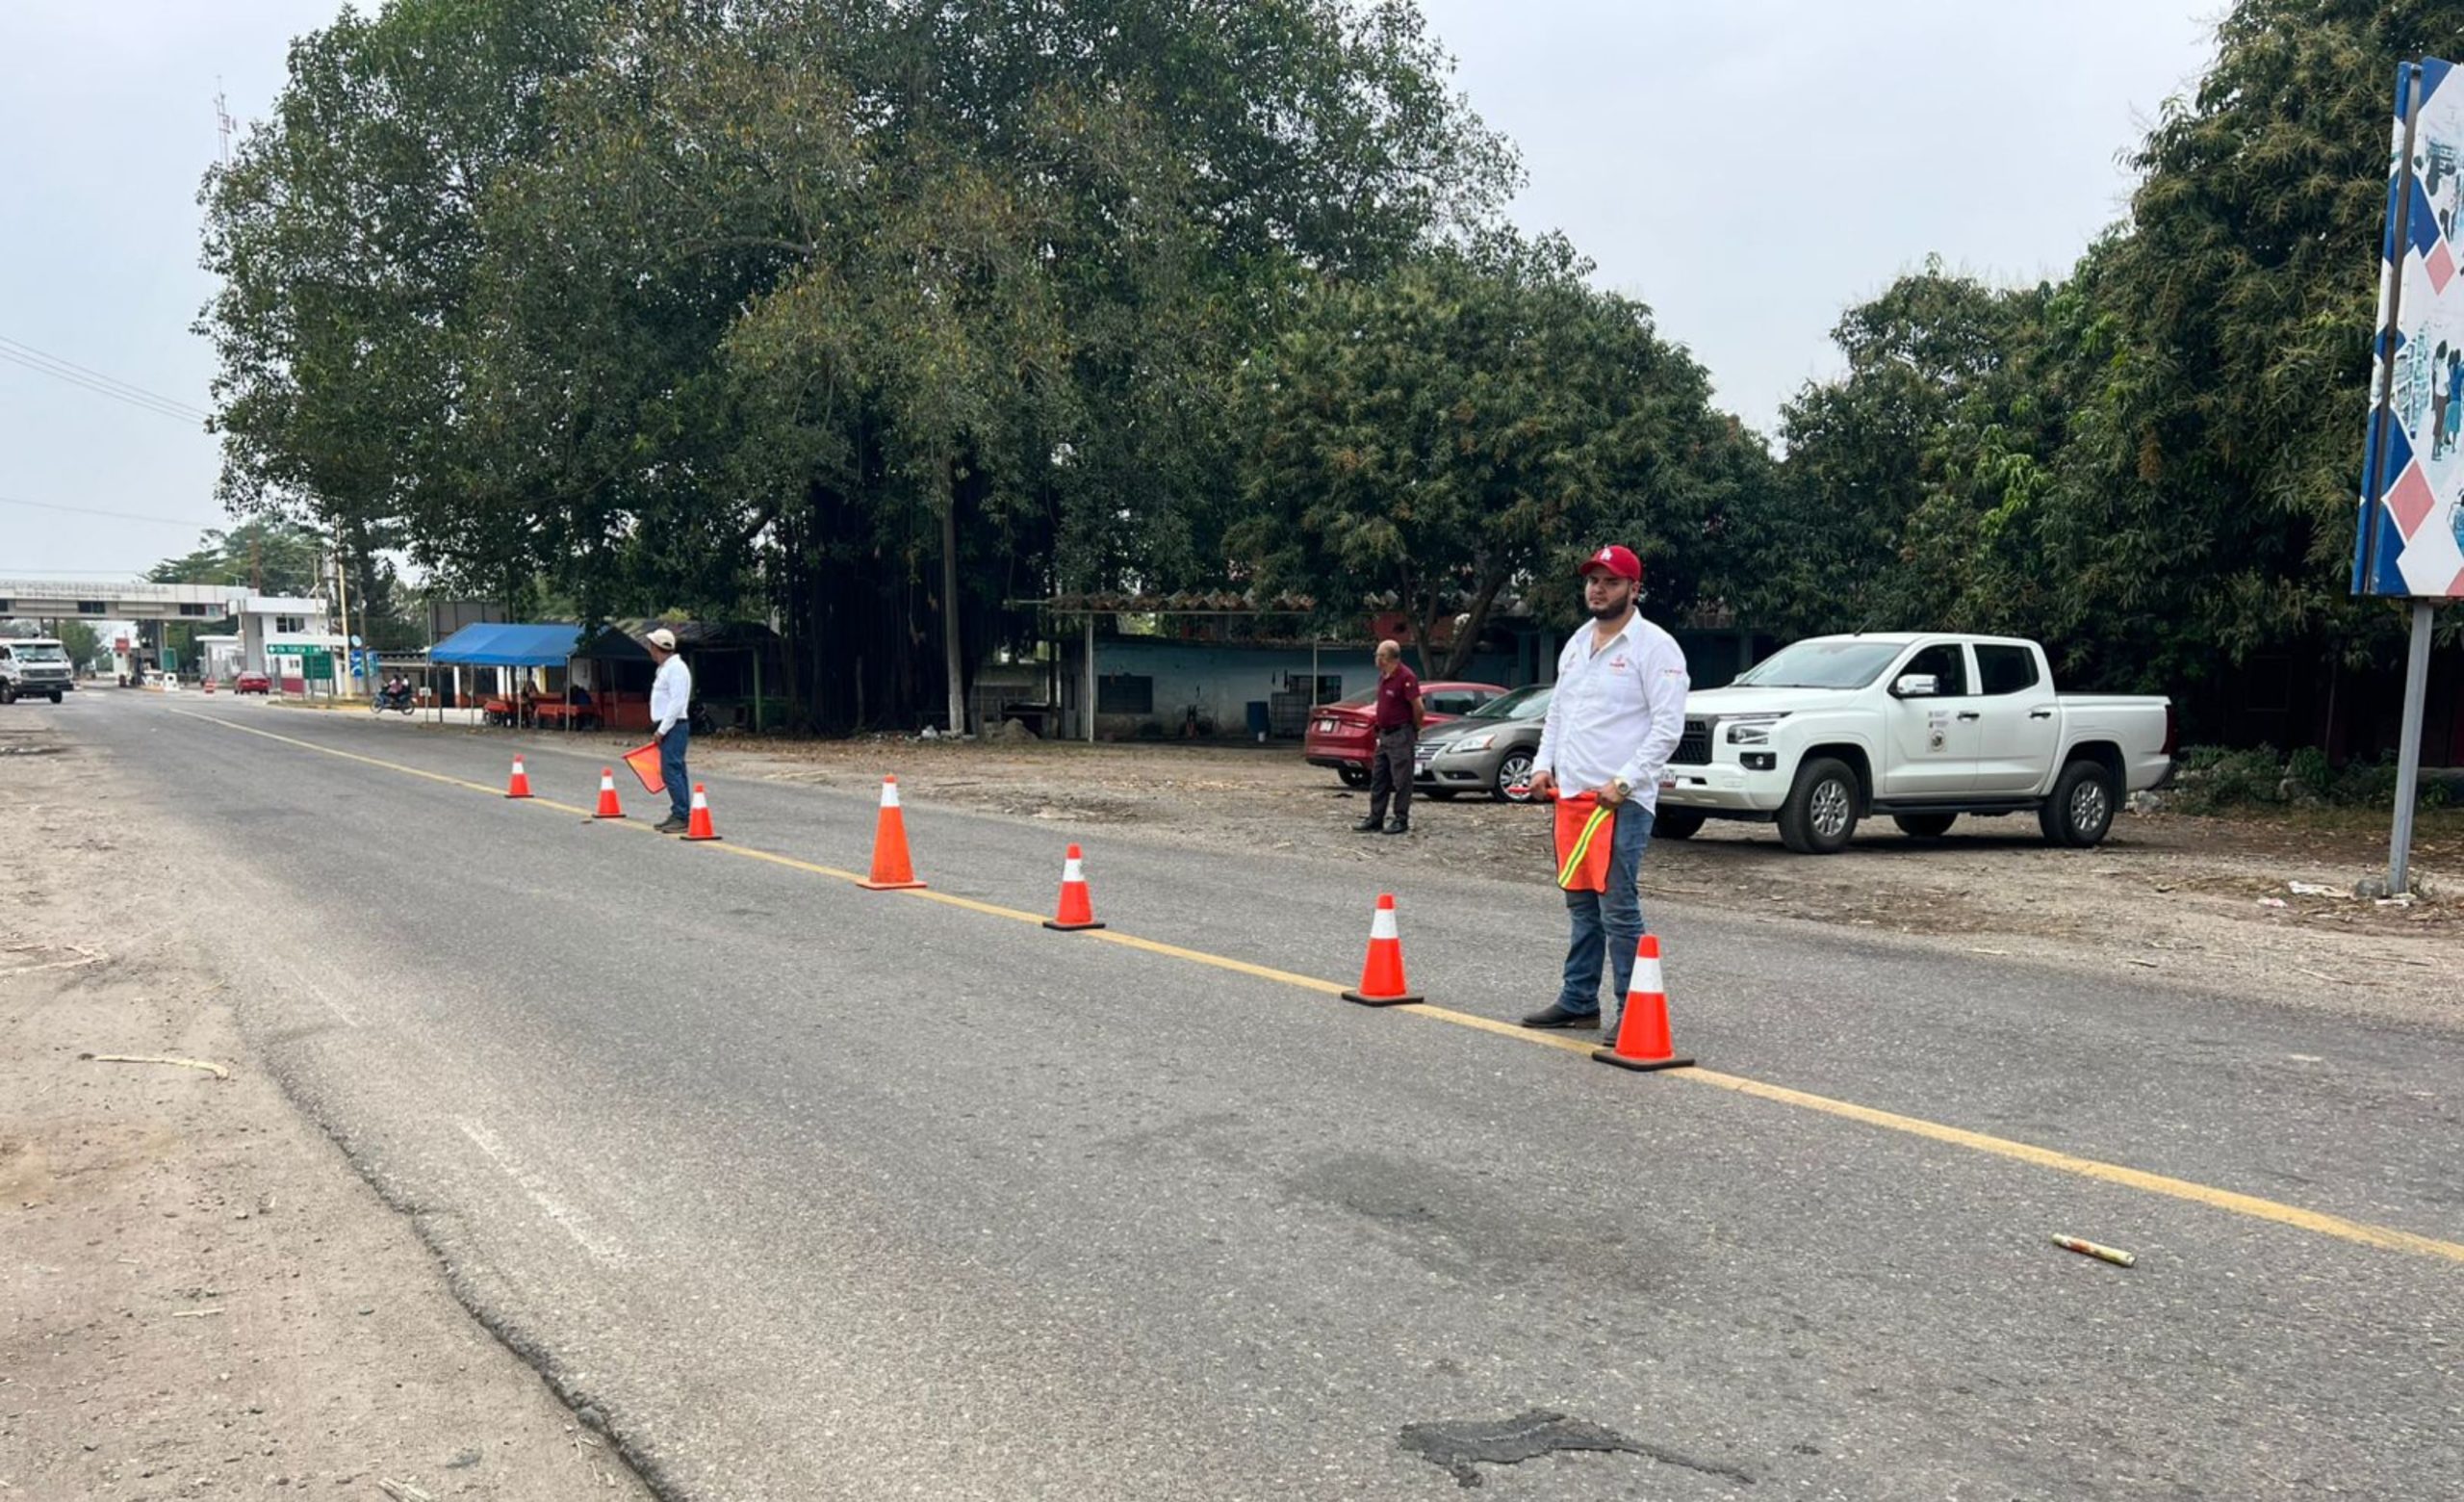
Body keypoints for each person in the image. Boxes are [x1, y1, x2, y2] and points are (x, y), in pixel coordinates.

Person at [1521, 544, 1689, 1033]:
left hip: (1620, 802)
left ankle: (1633, 1009)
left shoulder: (1655, 647)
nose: (1599, 588)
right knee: (1580, 904)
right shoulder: (1577, 643)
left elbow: (1667, 728)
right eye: (1593, 580)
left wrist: (1625, 779)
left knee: (1617, 907)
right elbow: (1559, 712)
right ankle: (1578, 1001)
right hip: (1571, 798)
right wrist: (1541, 765)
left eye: (1611, 581)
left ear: (1634, 589)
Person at [1352, 638, 1424, 836]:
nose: (1375, 658)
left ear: (1386, 657)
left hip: (1401, 733)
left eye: (1378, 655)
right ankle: (1376, 817)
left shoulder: (1406, 677)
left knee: (1402, 779)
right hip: (1384, 734)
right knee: (1379, 777)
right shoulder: (1383, 677)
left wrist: (1415, 728)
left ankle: (1401, 819)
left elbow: (1418, 707)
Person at [647, 628, 694, 832]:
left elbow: (676, 703)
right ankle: (678, 811)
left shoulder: (677, 669)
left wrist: (662, 730)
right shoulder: (666, 669)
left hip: (674, 726)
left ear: (656, 648)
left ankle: (682, 815)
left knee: (671, 771)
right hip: (670, 726)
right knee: (674, 770)